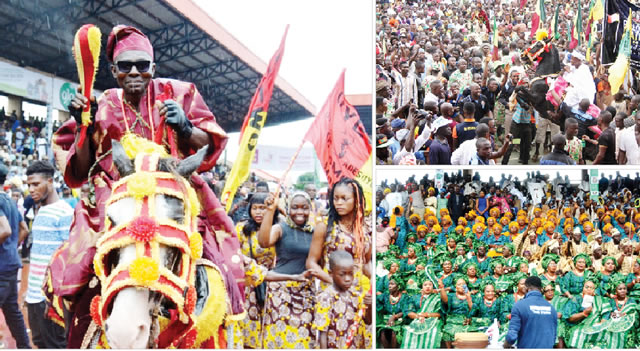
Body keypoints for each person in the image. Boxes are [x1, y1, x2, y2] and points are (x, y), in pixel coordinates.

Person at [50, 25, 245, 346]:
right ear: (113, 71)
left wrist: (184, 126)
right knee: (84, 263)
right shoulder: (104, 104)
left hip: (173, 186)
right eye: (125, 67)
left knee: (215, 256)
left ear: (153, 67)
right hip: (117, 190)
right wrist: (84, 126)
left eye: (143, 65)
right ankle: (80, 323)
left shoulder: (180, 93)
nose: (135, 73)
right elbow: (81, 167)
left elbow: (208, 146)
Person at [259, 191, 317, 348]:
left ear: (310, 209)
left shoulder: (315, 231)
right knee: (280, 341)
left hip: (306, 293)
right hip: (281, 293)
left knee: (304, 341)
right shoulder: (280, 228)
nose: (299, 212)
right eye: (295, 207)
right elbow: (263, 242)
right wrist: (270, 211)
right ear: (288, 208)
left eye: (304, 208)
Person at [25, 160, 73, 348]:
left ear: (50, 182)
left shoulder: (64, 213)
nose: (31, 189)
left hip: (51, 299)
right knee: (40, 343)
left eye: (36, 184)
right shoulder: (41, 210)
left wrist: (56, 298)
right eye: (29, 184)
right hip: (34, 296)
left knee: (55, 345)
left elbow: (69, 257)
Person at [236, 193, 276, 349]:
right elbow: (234, 252)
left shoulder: (277, 228)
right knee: (248, 326)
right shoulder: (241, 228)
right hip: (248, 286)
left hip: (271, 283)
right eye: (255, 208)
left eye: (263, 208)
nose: (259, 212)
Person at [314, 250, 372, 349]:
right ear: (331, 273)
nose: (348, 279)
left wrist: (369, 306)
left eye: (351, 274)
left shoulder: (355, 295)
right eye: (342, 274)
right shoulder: (326, 298)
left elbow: (368, 321)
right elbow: (322, 333)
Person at [0, 162, 30, 349]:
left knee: (12, 309)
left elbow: (4, 230)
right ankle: (24, 347)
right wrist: (11, 248)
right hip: (10, 264)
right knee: (12, 310)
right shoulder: (9, 200)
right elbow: (24, 229)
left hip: (1, 267)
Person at [504, 276, 557, 349]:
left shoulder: (519, 306)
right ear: (541, 289)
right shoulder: (551, 308)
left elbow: (512, 335)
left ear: (526, 288)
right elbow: (554, 336)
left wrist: (506, 345)